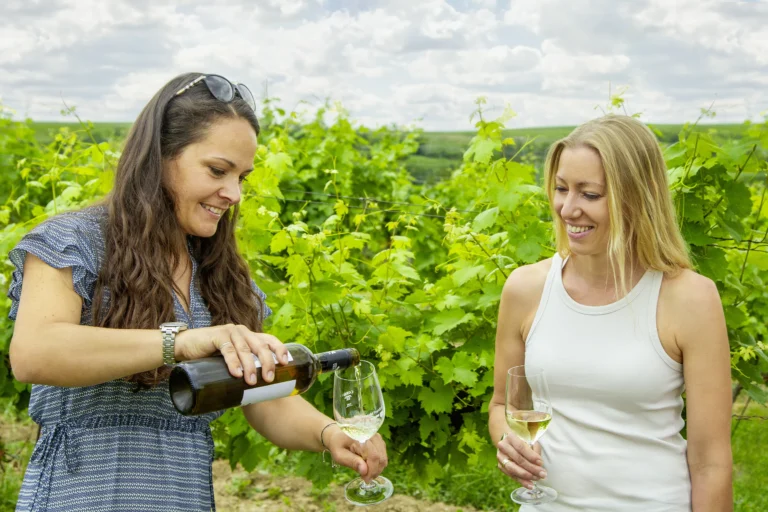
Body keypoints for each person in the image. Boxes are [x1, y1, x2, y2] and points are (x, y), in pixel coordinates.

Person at [7, 72, 388, 512]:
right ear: (160, 157)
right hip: (82, 496)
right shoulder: (74, 241)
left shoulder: (221, 274)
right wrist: (181, 341)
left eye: (242, 176)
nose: (233, 193)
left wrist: (328, 433)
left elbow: (261, 396)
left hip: (182, 496)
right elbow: (35, 352)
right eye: (217, 170)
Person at [488, 115, 733, 511]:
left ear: (639, 196)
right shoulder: (525, 289)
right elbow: (503, 406)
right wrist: (507, 440)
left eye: (590, 194)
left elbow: (711, 463)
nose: (568, 209)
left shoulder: (690, 299)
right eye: (562, 189)